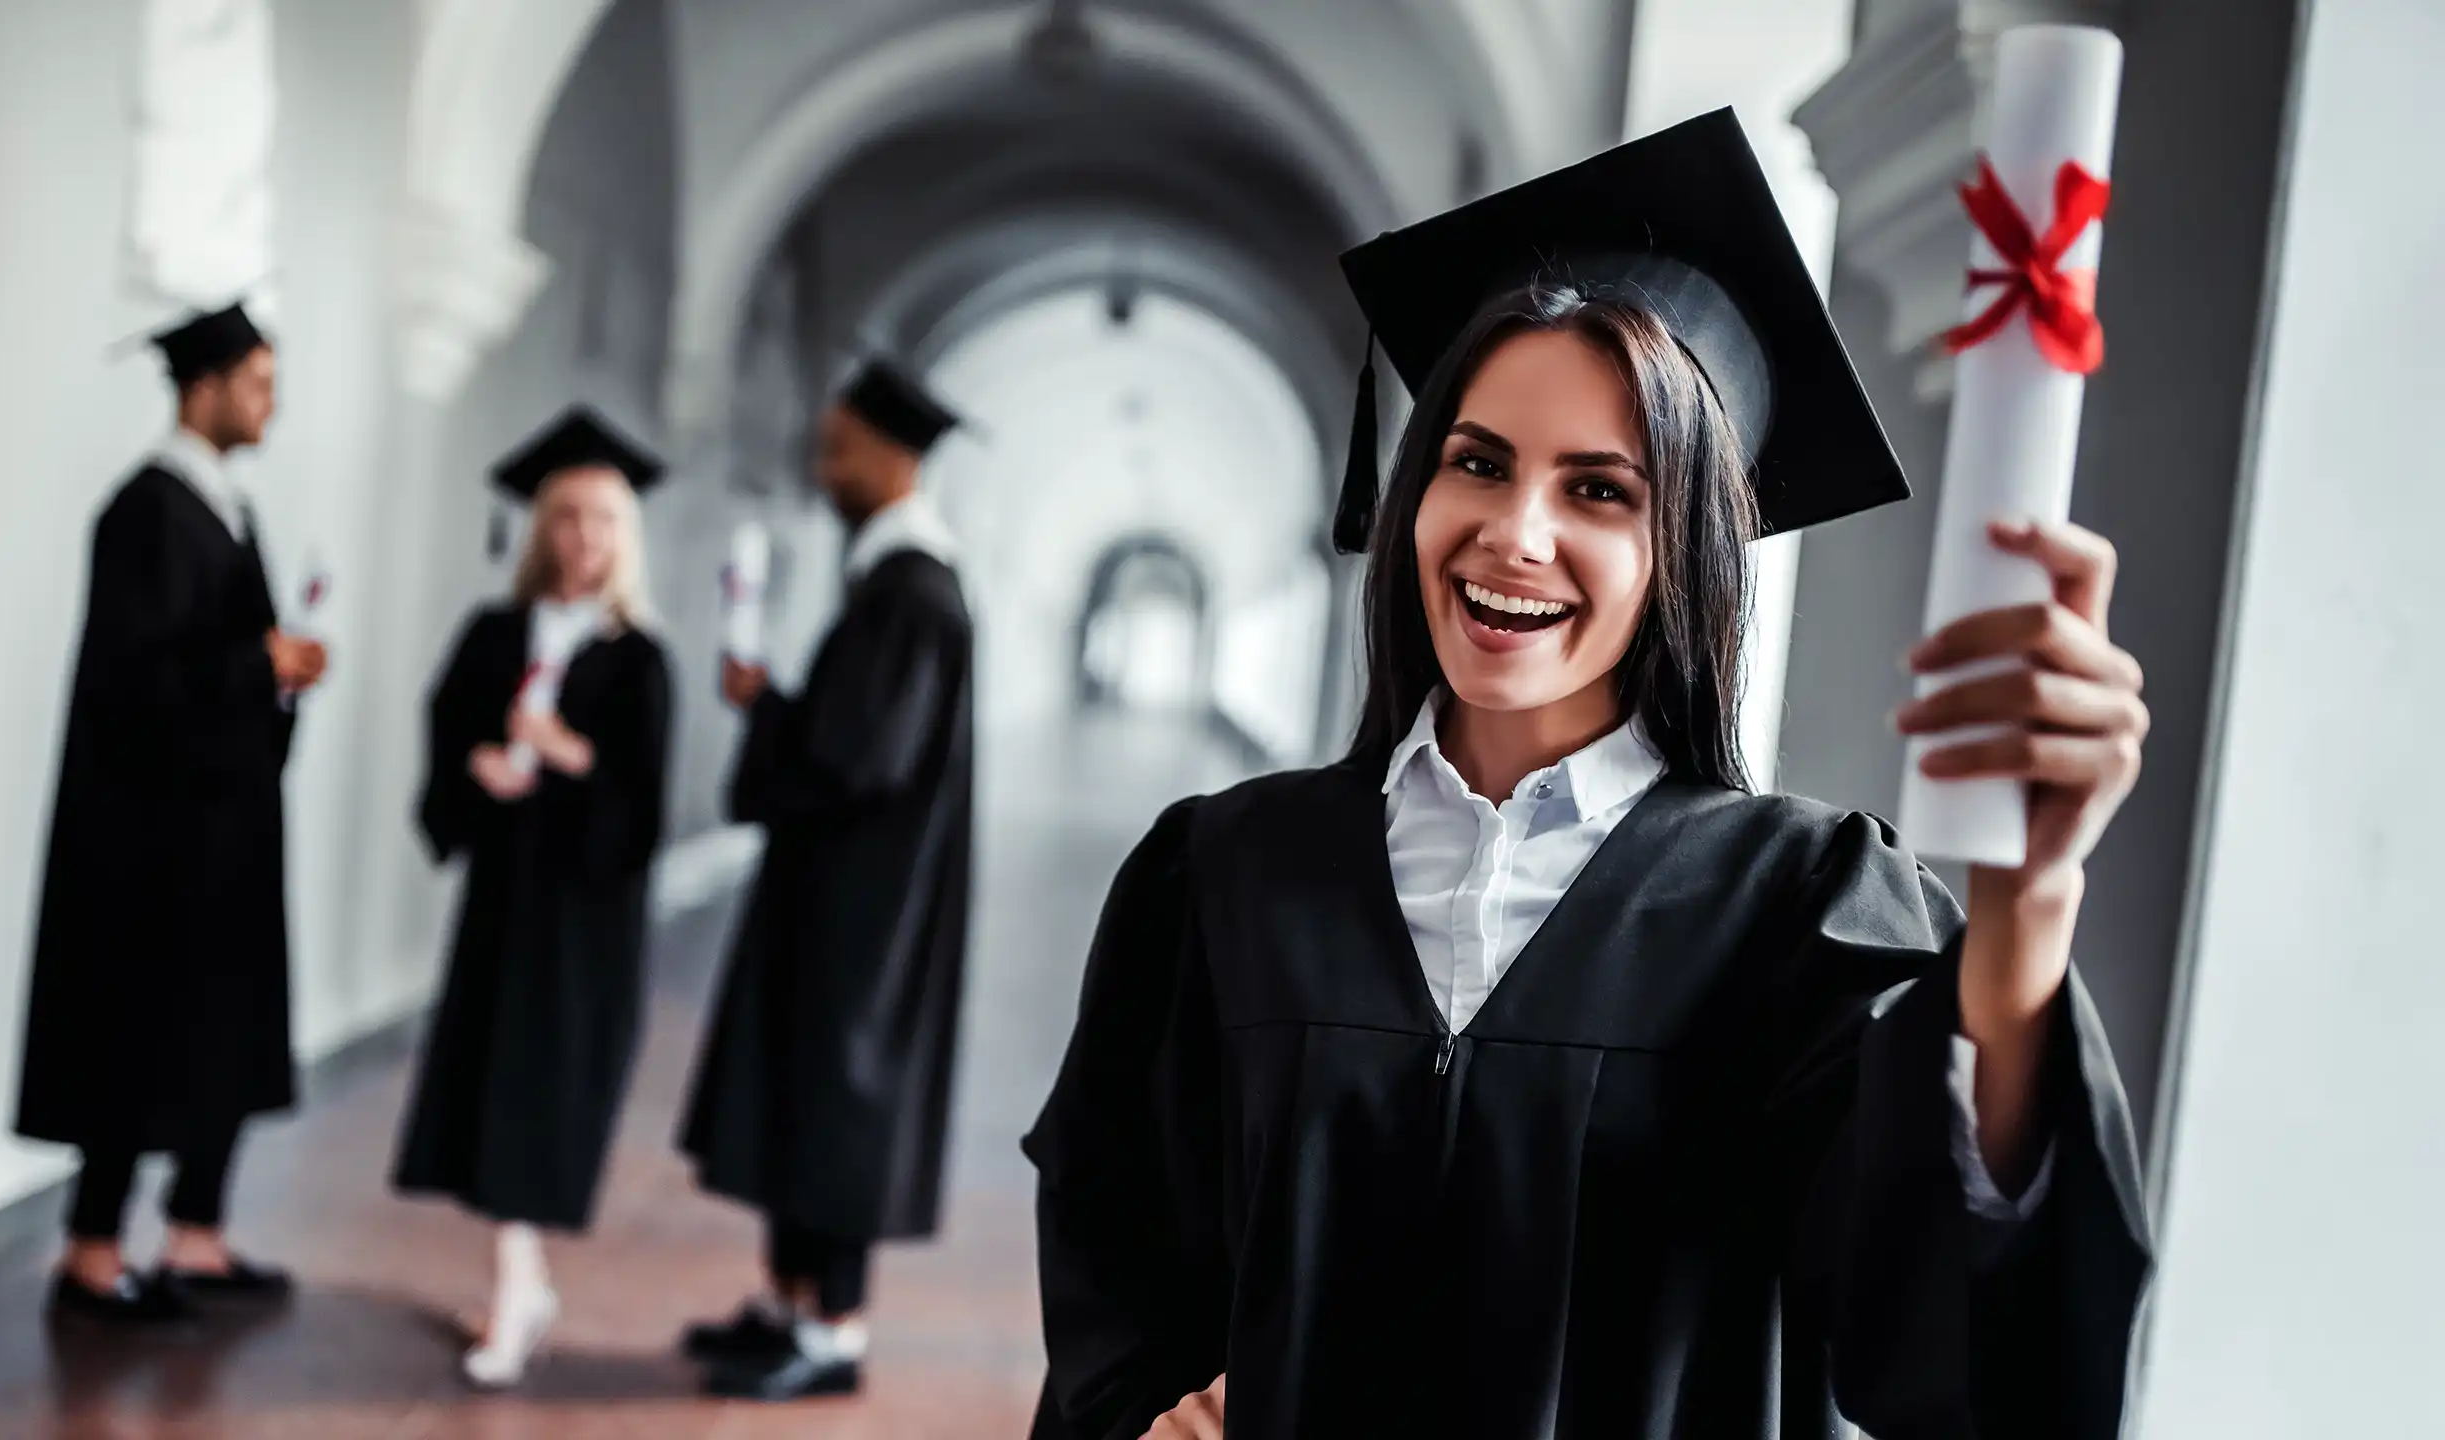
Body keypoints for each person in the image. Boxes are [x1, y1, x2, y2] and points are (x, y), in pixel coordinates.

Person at [1026, 110, 2154, 1439]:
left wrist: (2025, 905)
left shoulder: (1805, 909)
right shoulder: (1218, 874)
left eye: (1601, 491)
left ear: (1689, 549)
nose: (1515, 534)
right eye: (1477, 462)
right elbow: (1114, 1263)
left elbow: (1946, 1326)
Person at [16, 302, 327, 1324]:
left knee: (216, 1031)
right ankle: (95, 1252)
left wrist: (281, 679)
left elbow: (232, 662)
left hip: (224, 832)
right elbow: (134, 678)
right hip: (146, 842)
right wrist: (258, 665)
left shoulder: (232, 509)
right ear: (205, 385)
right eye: (259, 384)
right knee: (130, 1035)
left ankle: (198, 1234)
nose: (270, 405)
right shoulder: (145, 512)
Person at [677, 359, 975, 1402]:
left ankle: (834, 1330)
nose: (823, 464)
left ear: (895, 459)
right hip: (840, 896)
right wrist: (778, 704)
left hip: (867, 913)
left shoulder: (914, 592)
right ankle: (790, 1301)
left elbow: (860, 759)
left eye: (839, 446)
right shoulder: (889, 583)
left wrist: (767, 711)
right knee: (801, 1092)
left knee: (842, 1099)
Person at [393, 407, 674, 1388]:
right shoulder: (495, 632)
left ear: (623, 536)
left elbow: (644, 806)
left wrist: (569, 756)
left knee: (540, 1095)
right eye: (566, 517)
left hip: (583, 922)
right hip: (503, 902)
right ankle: (521, 1279)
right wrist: (478, 764)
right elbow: (447, 730)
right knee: (489, 1089)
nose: (582, 539)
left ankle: (518, 1291)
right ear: (541, 526)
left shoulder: (637, 658)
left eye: (601, 520)